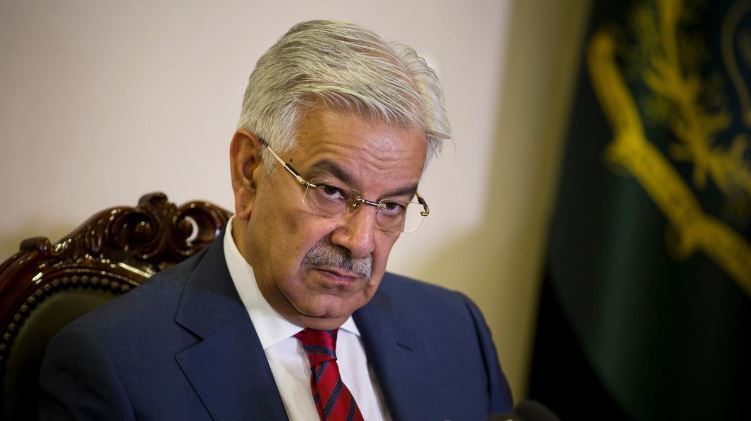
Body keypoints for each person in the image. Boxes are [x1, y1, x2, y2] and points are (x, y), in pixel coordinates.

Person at [39, 20, 513, 421]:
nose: (360, 241)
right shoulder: (112, 367)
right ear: (249, 171)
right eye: (331, 191)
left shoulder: (456, 329)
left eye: (391, 206)